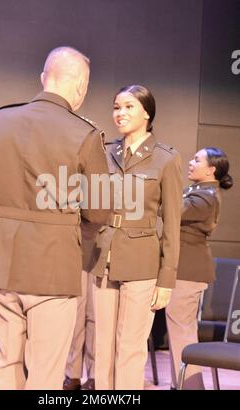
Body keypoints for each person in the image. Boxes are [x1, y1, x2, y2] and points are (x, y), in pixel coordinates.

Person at [0, 46, 109, 390]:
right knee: (45, 371)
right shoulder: (85, 134)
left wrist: (13, 220)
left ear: (44, 78)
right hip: (52, 262)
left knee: (5, 358)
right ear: (81, 87)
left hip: (1, 260)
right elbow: (99, 211)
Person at [90, 84, 183, 390]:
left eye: (129, 107)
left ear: (146, 112)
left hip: (142, 261)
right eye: (117, 107)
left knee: (130, 346)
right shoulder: (103, 153)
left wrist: (166, 279)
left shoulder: (166, 159)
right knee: (101, 345)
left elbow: (171, 225)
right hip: (102, 257)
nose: (120, 113)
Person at [165, 147, 233, 390]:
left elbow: (173, 210)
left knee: (182, 331)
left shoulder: (206, 197)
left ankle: (190, 386)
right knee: (179, 329)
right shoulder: (199, 191)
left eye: (196, 159)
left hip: (187, 271)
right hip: (182, 270)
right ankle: (181, 384)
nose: (191, 163)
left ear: (211, 169)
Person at [63, 220, 96, 391]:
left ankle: (95, 376)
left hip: (104, 249)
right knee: (75, 315)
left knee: (96, 316)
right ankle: (72, 374)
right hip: (76, 245)